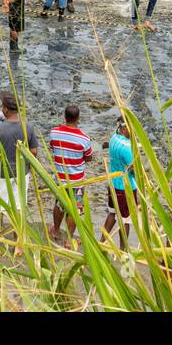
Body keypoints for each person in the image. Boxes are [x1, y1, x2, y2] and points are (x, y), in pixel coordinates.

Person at [0, 91, 40, 221]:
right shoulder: (28, 127)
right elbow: (34, 151)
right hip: (21, 173)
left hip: (1, 173)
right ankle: (18, 238)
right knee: (18, 207)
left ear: (5, 109)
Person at [48, 104, 93, 243]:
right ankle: (68, 239)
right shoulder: (84, 139)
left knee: (59, 204)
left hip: (60, 179)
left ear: (65, 117)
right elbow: (88, 157)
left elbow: (52, 147)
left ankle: (56, 230)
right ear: (78, 118)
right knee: (75, 210)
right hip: (77, 181)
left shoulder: (54, 133)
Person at [101, 116, 135, 246]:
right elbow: (134, 169)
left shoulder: (113, 139)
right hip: (125, 187)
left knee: (112, 213)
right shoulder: (126, 147)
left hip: (113, 183)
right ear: (126, 127)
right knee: (125, 220)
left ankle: (102, 241)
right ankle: (123, 249)